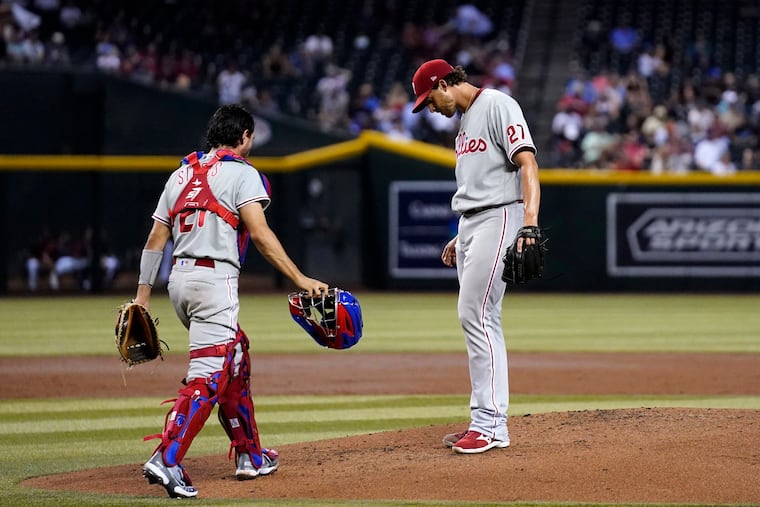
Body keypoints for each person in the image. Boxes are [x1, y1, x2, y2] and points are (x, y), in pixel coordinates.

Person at [135, 104, 328, 498]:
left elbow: (156, 239)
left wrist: (141, 298)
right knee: (208, 376)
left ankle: (250, 455)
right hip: (213, 282)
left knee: (235, 354)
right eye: (251, 138)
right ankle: (166, 458)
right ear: (244, 137)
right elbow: (259, 233)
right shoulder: (243, 172)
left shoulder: (181, 173)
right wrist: (300, 278)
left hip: (179, 283)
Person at [410, 59, 540, 454]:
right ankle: (487, 422)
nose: (430, 108)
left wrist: (529, 223)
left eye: (429, 99)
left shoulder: (497, 104)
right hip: (473, 222)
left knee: (476, 314)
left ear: (445, 83)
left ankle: (489, 424)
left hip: (501, 214)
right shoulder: (465, 122)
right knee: (479, 318)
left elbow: (528, 163)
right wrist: (461, 235)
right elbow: (476, 186)